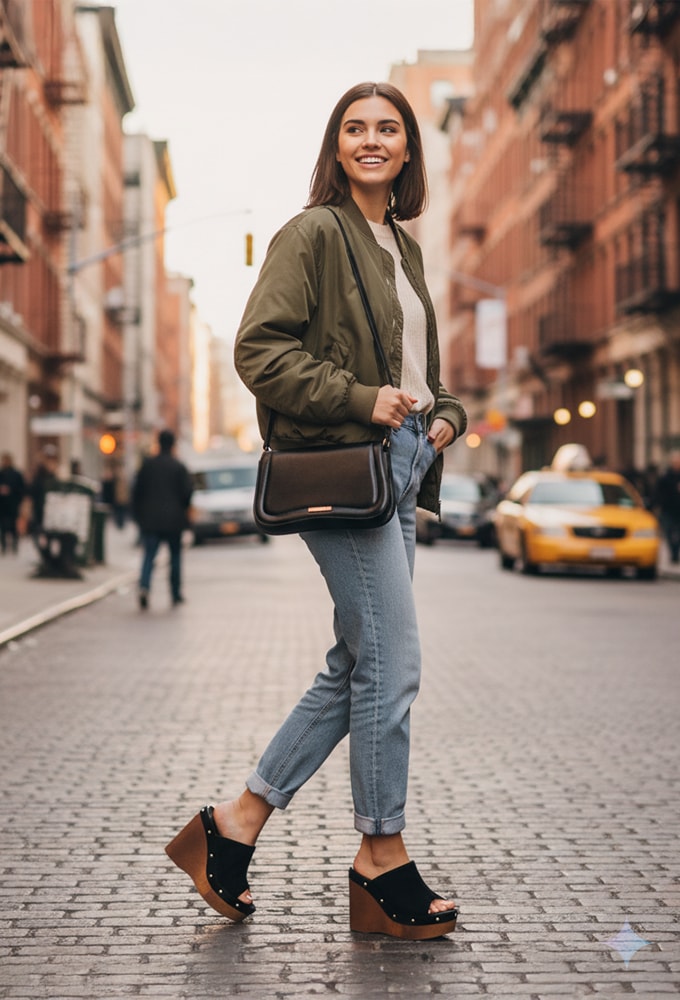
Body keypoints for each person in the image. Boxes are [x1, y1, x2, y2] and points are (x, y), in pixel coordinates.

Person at [165, 82, 467, 939]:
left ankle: (233, 828)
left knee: (358, 665)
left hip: (403, 467)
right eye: (355, 128)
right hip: (347, 466)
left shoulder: (401, 251)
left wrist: (446, 418)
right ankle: (381, 856)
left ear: (408, 150)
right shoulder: (313, 233)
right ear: (337, 147)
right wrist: (362, 398)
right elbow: (259, 349)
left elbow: (426, 379)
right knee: (393, 665)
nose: (372, 140)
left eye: (388, 129)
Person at [132, 429, 193, 609]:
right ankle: (175, 593)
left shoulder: (147, 465)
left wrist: (138, 516)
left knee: (149, 556)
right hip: (174, 521)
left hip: (150, 521)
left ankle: (144, 586)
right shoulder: (179, 466)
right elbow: (187, 493)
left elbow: (136, 493)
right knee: (174, 558)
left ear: (158, 444)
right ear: (173, 445)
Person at [652, 451, 680, 563]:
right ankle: (673, 553)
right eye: (676, 462)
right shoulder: (665, 478)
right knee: (668, 532)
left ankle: (676, 553)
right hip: (668, 510)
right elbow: (658, 493)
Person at [0, 452, 25, 554]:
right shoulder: (1, 473)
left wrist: (12, 492)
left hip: (13, 503)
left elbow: (21, 488)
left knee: (13, 525)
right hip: (2, 504)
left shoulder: (16, 474)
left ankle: (14, 544)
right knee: (3, 526)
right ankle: (4, 546)